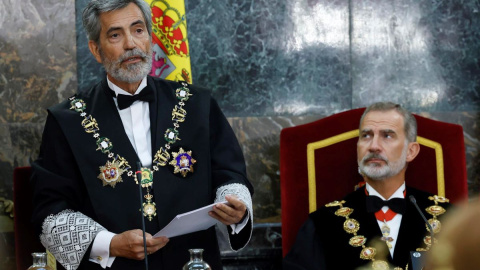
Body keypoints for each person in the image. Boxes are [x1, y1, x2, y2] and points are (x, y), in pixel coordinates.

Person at [31, 1, 253, 269]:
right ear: (96, 50)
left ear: (149, 37)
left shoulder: (198, 104)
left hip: (193, 263)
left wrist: (237, 208)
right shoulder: (66, 120)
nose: (130, 44)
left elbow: (231, 176)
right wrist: (109, 243)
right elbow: (50, 210)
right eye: (115, 35)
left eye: (138, 30)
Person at [283, 102, 450, 270]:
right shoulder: (324, 224)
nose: (373, 146)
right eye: (366, 136)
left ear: (411, 151)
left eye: (387, 135)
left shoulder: (448, 218)